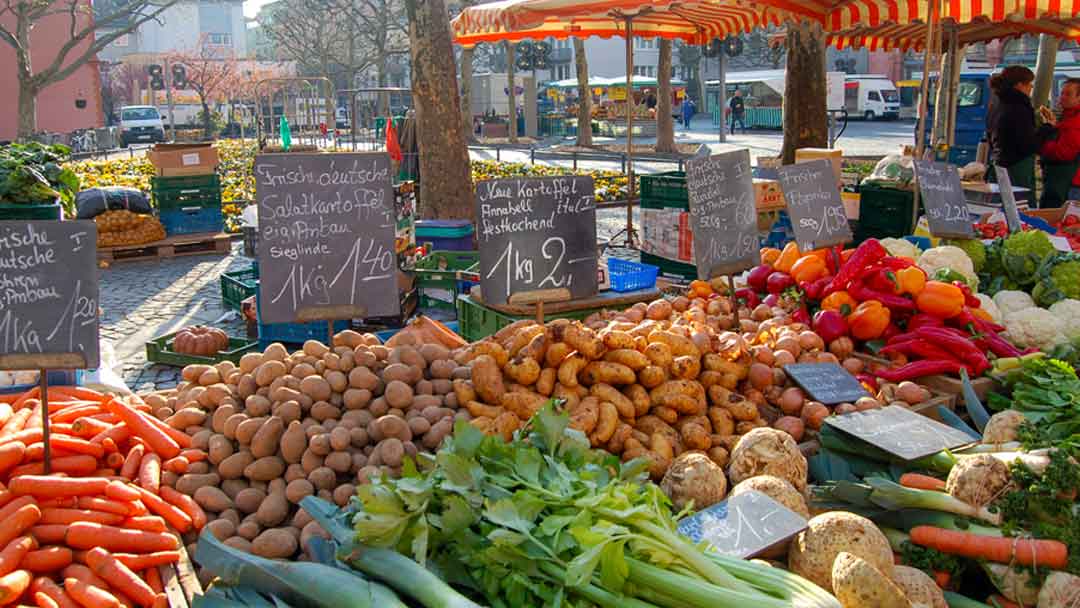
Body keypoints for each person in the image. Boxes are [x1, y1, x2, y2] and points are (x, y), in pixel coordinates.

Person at [986, 65, 1055, 190]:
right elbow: (1028, 143)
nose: (1031, 87)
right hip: (1016, 166)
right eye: (1029, 83)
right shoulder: (1018, 107)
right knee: (1019, 204)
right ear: (1019, 85)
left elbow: (990, 135)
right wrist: (1047, 127)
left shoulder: (996, 103)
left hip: (999, 163)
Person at [1039, 78, 1080, 207]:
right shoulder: (1067, 117)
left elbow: (1064, 153)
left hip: (1070, 183)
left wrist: (1042, 144)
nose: (1062, 97)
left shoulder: (1075, 122)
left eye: (1068, 94)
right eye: (1062, 93)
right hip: (1062, 181)